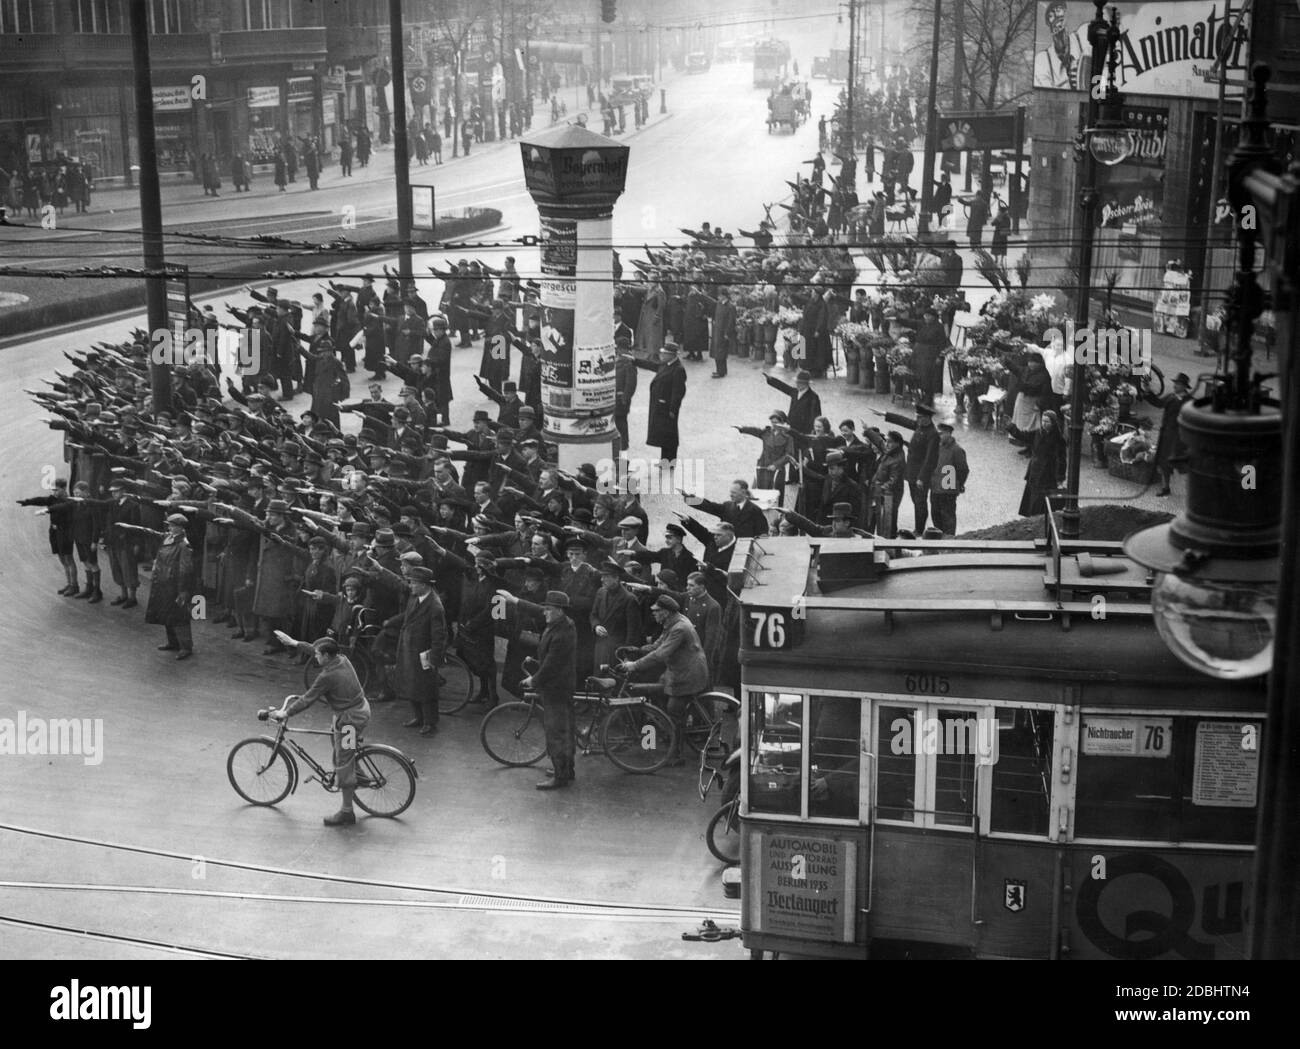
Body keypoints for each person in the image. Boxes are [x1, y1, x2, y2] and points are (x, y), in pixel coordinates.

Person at [268, 635, 371, 827]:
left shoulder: (327, 676)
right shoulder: (341, 659)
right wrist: (296, 643)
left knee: (344, 762)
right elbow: (319, 649)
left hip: (350, 721)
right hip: (357, 709)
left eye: (317, 655)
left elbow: (308, 698)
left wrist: (286, 713)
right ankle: (360, 778)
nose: (314, 657)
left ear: (325, 656)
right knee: (339, 747)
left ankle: (347, 812)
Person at [618, 594, 709, 766]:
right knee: (659, 693)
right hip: (679, 671)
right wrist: (637, 650)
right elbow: (657, 645)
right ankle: (668, 735)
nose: (654, 614)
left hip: (688, 674)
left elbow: (661, 654)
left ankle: (676, 755)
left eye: (656, 611)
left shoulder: (679, 628)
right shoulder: (672, 623)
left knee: (674, 710)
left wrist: (635, 665)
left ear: (666, 612)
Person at [517, 590, 577, 789]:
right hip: (562, 685)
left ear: (559, 610)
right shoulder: (562, 625)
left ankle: (560, 777)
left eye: (549, 609)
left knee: (556, 732)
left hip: (555, 688)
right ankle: (568, 770)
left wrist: (533, 680)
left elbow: (552, 663)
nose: (545, 613)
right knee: (565, 730)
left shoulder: (561, 632)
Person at [388, 565, 446, 736]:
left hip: (423, 653)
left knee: (426, 688)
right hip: (409, 649)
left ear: (424, 584)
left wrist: (435, 659)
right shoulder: (415, 598)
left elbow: (439, 635)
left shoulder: (435, 606)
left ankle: (430, 722)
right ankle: (418, 717)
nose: (411, 586)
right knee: (411, 684)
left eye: (414, 583)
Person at [147, 513, 196, 660]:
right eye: (169, 525)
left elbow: (185, 570)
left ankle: (186, 646)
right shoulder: (168, 538)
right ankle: (173, 642)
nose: (170, 528)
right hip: (164, 583)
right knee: (167, 614)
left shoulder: (184, 545)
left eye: (173, 526)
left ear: (181, 528)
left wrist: (183, 591)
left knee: (180, 617)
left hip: (175, 585)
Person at [636, 341, 687, 467]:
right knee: (664, 434)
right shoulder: (666, 364)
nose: (662, 355)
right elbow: (651, 365)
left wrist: (673, 409)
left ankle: (670, 461)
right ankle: (665, 460)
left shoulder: (678, 370)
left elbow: (678, 392)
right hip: (660, 406)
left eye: (664, 353)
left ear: (672, 355)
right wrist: (634, 360)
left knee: (670, 434)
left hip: (667, 407)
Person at [1143, 371, 1193, 496]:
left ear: (1184, 386)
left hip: (1181, 437)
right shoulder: (1171, 397)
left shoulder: (1190, 402)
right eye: (1175, 383)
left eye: (1178, 384)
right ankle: (1166, 488)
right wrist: (1148, 391)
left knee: (1184, 463)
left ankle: (1193, 490)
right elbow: (1158, 403)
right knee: (1165, 461)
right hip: (1167, 435)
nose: (1175, 386)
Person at [1018, 409, 1067, 517]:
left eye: (1047, 422)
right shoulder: (1037, 433)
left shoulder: (1058, 439)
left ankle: (1039, 518)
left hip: (1047, 473)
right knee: (1032, 495)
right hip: (1034, 470)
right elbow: (1023, 435)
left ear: (1053, 423)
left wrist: (1060, 477)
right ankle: (1030, 516)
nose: (1044, 424)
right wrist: (1011, 427)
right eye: (1043, 421)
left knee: (1041, 499)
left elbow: (1061, 459)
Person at [927, 421, 969, 536]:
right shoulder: (936, 447)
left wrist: (958, 484)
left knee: (948, 517)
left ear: (949, 433)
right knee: (936, 515)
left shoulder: (957, 450)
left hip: (948, 490)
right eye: (938, 433)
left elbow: (963, 470)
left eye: (942, 433)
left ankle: (949, 541)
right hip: (935, 488)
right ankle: (939, 539)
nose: (940, 436)